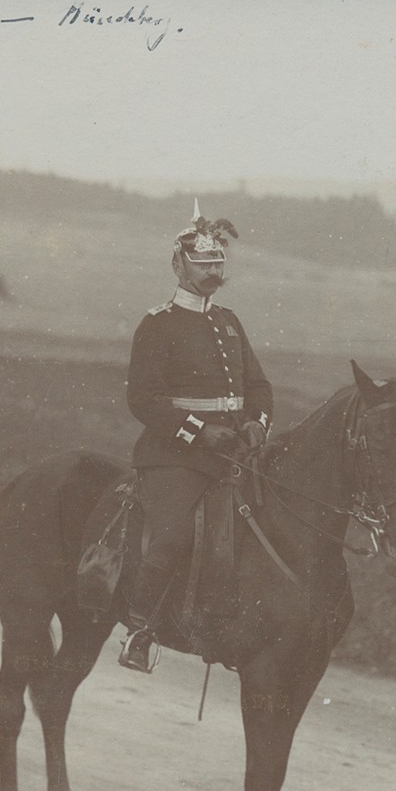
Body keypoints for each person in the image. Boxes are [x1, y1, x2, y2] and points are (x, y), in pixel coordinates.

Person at [119, 204, 273, 673]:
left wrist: (256, 424)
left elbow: (259, 387)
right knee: (173, 536)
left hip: (232, 454)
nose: (212, 272)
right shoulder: (158, 323)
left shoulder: (228, 321)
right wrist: (200, 432)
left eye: (218, 264)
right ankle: (139, 630)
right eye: (203, 264)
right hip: (174, 457)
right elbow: (144, 401)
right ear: (179, 265)